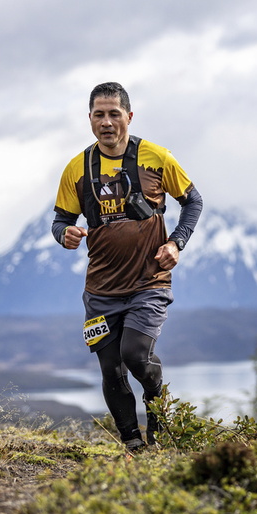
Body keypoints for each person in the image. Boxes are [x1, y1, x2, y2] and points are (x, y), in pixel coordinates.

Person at [51, 82, 203, 452]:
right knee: (111, 369)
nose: (107, 122)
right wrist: (65, 235)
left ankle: (157, 414)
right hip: (100, 291)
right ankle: (134, 445)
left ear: (129, 117)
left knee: (135, 355)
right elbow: (60, 221)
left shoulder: (157, 157)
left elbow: (193, 202)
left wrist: (175, 243)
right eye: (99, 115)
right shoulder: (77, 168)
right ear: (89, 119)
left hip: (149, 282)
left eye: (114, 114)